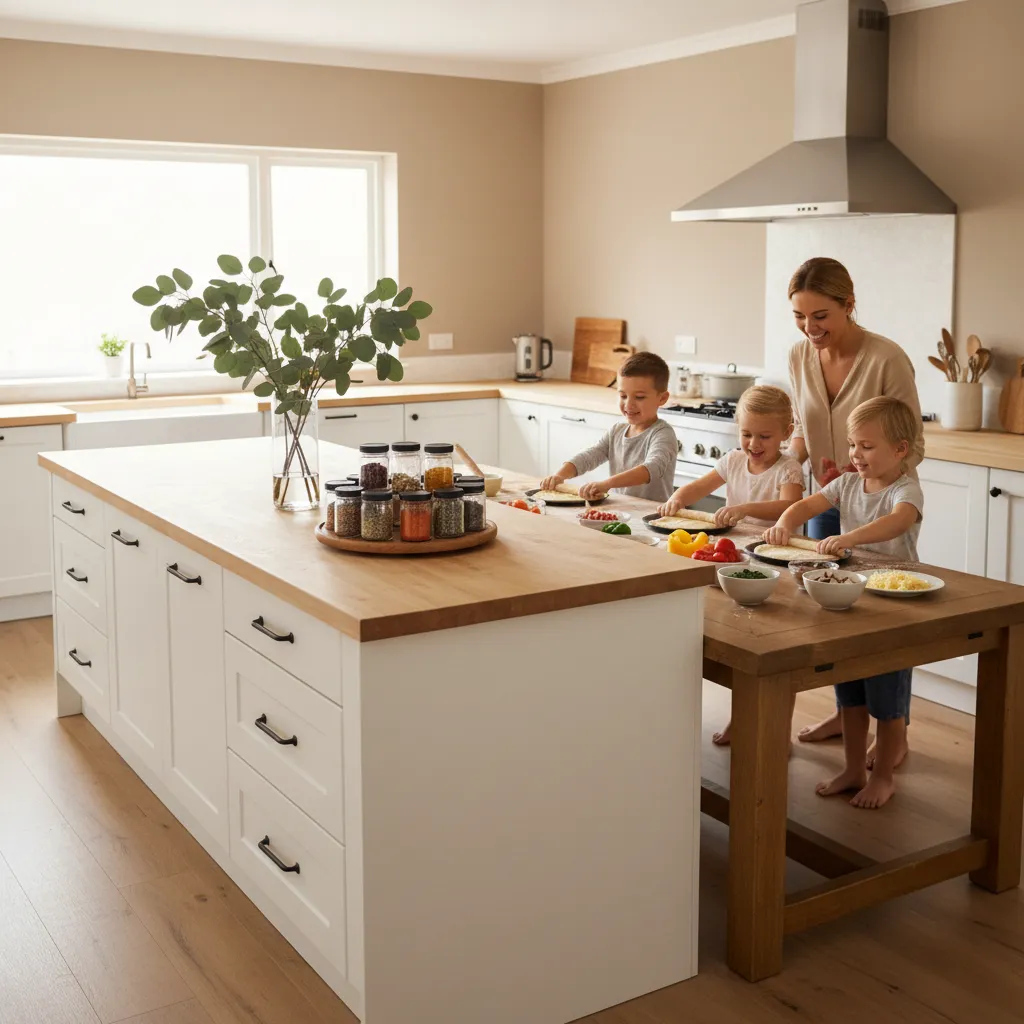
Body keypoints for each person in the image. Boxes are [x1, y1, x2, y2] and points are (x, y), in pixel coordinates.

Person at [786, 257, 924, 751]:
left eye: (820, 315)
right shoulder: (799, 355)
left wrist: (860, 475)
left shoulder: (887, 359)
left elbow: (912, 443)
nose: (810, 328)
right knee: (834, 617)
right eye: (800, 316)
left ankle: (896, 733)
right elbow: (802, 430)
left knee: (883, 620)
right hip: (824, 497)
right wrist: (786, 463)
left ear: (849, 305)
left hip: (871, 502)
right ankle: (848, 717)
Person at [763, 396, 923, 809]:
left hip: (894, 606)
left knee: (887, 701)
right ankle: (853, 769)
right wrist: (785, 522)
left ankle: (883, 776)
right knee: (850, 691)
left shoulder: (905, 488)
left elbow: (899, 520)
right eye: (853, 445)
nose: (856, 454)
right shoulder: (848, 482)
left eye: (867, 446)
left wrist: (850, 538)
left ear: (900, 450)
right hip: (854, 598)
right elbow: (807, 504)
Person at [658, 384, 805, 745]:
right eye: (746, 433)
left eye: (765, 436)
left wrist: (744, 509)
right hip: (738, 563)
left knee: (776, 652)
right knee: (743, 644)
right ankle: (740, 719)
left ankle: (780, 735)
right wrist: (677, 498)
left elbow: (786, 507)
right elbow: (699, 486)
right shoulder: (734, 460)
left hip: (777, 566)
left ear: (787, 433)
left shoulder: (789, 469)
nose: (754, 443)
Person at [539, 352, 677, 502]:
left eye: (639, 397)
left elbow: (650, 469)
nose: (629, 404)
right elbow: (590, 456)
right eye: (623, 396)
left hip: (652, 516)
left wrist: (607, 484)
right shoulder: (617, 430)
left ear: (662, 398)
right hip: (621, 510)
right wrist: (560, 475)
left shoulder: (663, 434)